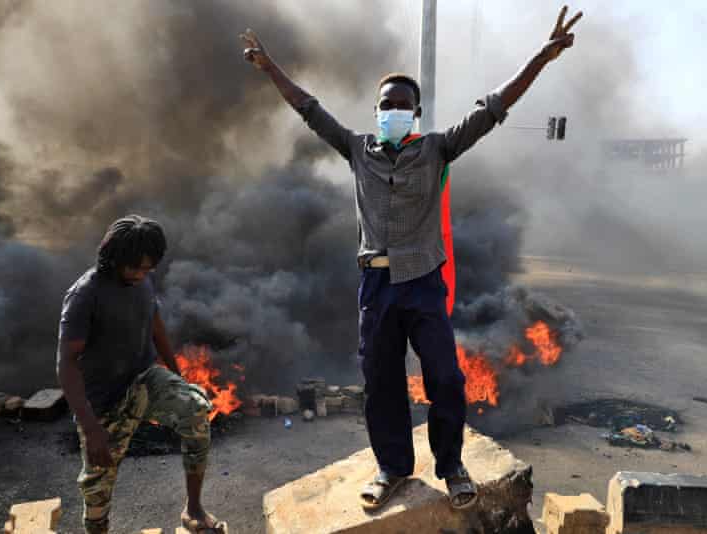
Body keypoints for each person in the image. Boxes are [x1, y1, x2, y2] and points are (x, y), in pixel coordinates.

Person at [241, 6, 581, 511]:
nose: (393, 111)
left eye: (402, 105)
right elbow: (309, 108)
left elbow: (494, 108)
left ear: (415, 115)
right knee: (381, 383)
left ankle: (451, 466)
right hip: (376, 288)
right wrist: (271, 70)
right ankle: (392, 468)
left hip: (423, 283)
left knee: (445, 377)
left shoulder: (438, 149)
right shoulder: (357, 149)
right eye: (386, 105)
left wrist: (541, 57)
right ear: (376, 111)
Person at [57, 215, 226, 534]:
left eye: (148, 268)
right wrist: (91, 428)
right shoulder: (85, 295)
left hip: (143, 379)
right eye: (135, 267)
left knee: (196, 411)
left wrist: (178, 378)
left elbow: (156, 325)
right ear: (113, 259)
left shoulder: (142, 282)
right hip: (103, 400)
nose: (141, 274)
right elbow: (66, 364)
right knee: (97, 486)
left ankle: (194, 510)